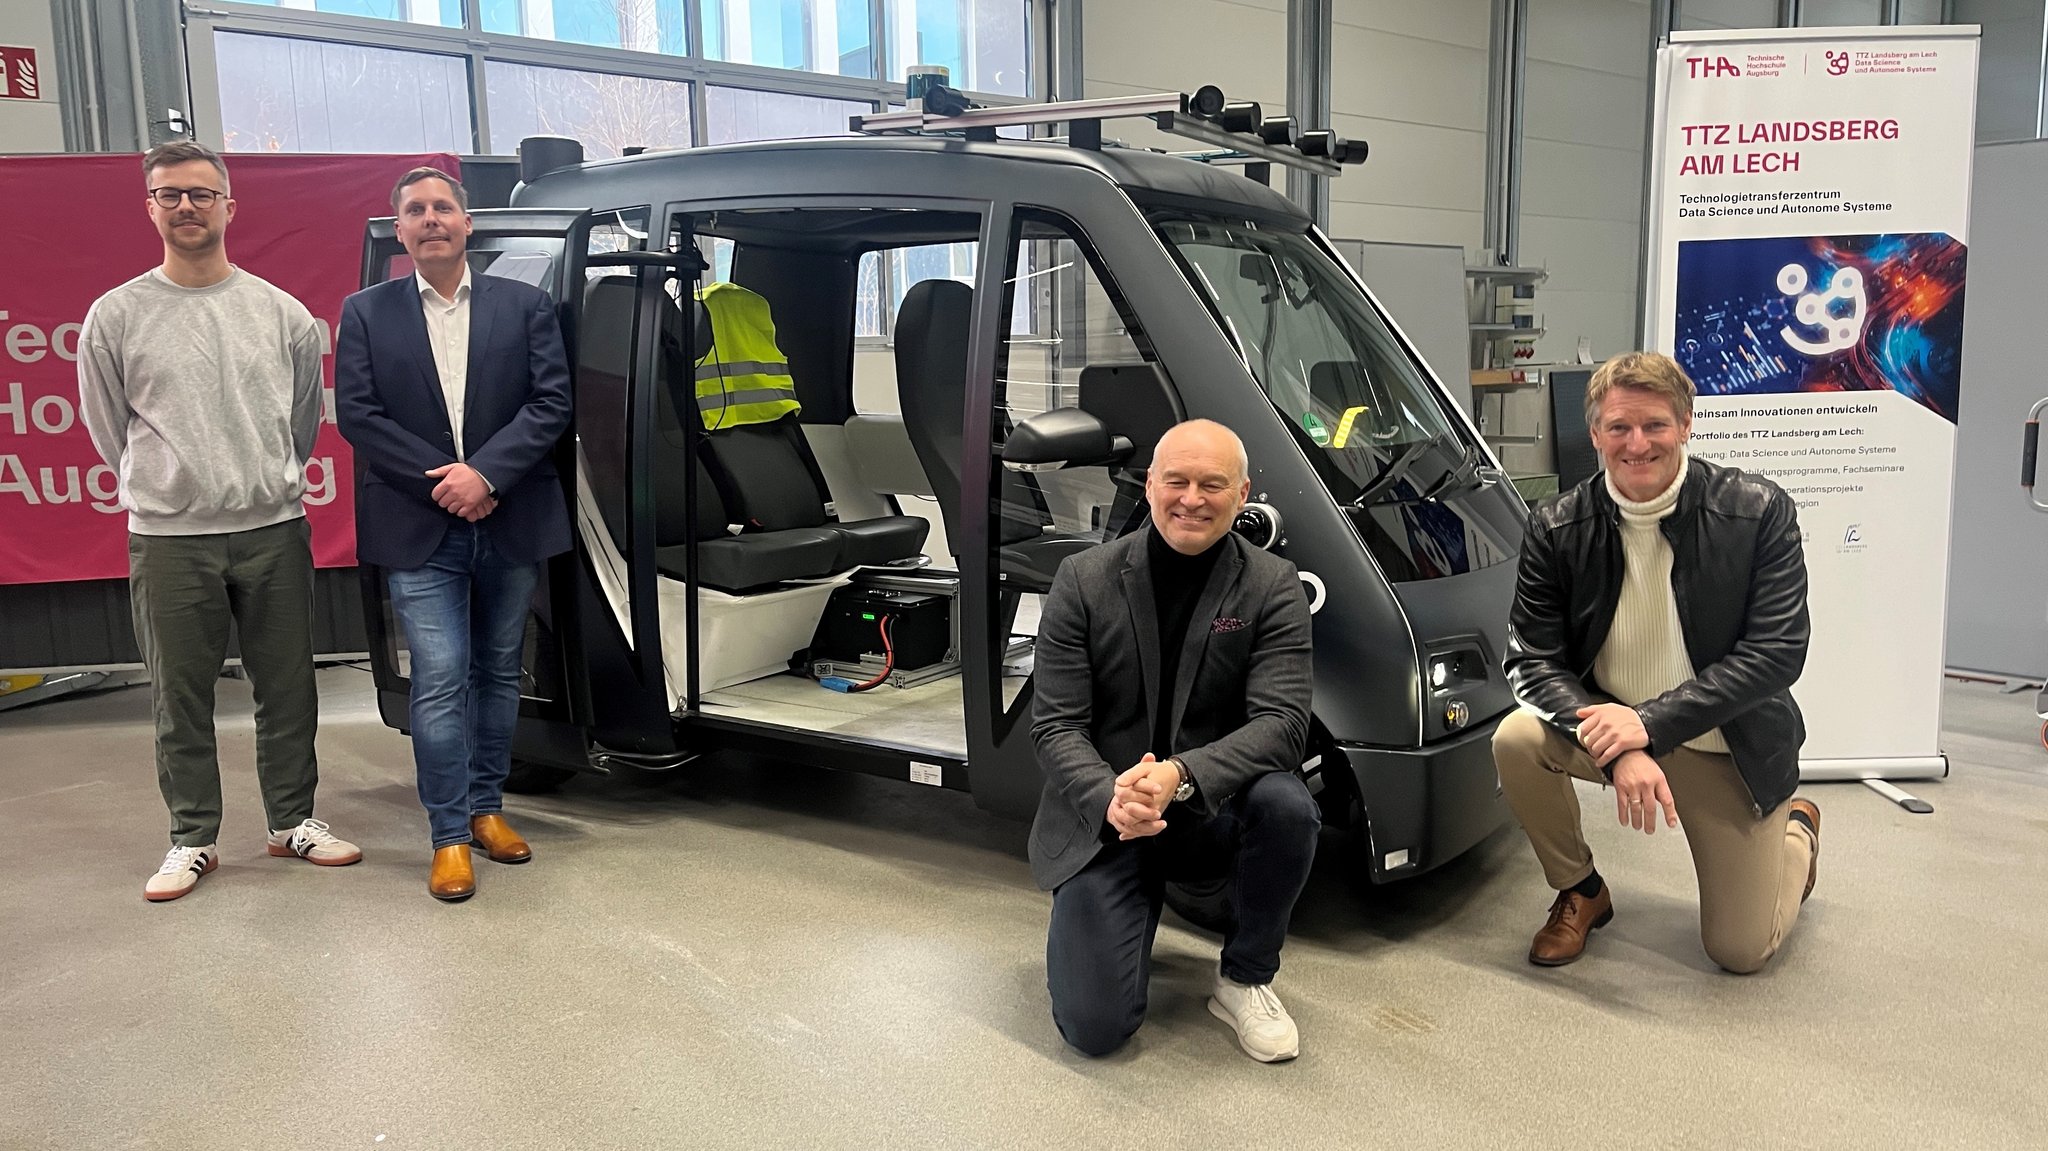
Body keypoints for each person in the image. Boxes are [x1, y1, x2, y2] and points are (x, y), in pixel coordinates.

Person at [78, 140, 361, 903]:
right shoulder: (116, 316)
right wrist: (167, 486)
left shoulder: (282, 315)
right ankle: (192, 837)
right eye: (169, 194)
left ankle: (294, 819)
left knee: (289, 685)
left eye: (201, 194)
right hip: (169, 539)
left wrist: (260, 481)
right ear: (150, 208)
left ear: (229, 206)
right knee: (181, 695)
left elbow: (301, 424)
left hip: (273, 528)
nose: (186, 207)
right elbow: (109, 431)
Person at [1495, 351, 1820, 974]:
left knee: (1741, 952)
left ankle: (1798, 834)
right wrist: (1619, 741)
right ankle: (1581, 890)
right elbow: (1532, 660)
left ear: (1687, 424)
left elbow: (1778, 652)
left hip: (1728, 749)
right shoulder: (1556, 526)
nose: (1636, 443)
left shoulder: (1757, 511)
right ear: (1594, 433)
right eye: (1618, 427)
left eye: (1655, 425)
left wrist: (1647, 724)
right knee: (1515, 739)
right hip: (1615, 732)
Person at [1030, 418, 1318, 1062]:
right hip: (1109, 816)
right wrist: (1111, 796)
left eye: (1212, 484)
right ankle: (1122, 917)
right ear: (1150, 483)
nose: (1192, 498)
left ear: (1242, 493)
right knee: (1094, 1030)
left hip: (1207, 812)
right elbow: (1055, 725)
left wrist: (1181, 775)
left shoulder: (1272, 586)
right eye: (1177, 481)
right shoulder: (1083, 580)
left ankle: (1244, 977)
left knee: (1287, 805)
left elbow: (1283, 725)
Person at [334, 167, 572, 902]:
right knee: (439, 678)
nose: (431, 218)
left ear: (469, 224)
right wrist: (447, 478)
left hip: (509, 515)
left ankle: (485, 807)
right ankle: (446, 836)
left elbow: (551, 401)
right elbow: (360, 415)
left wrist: (486, 475)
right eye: (415, 210)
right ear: (399, 230)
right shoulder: (367, 312)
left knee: (500, 672)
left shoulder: (527, 305)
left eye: (443, 207)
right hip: (418, 523)